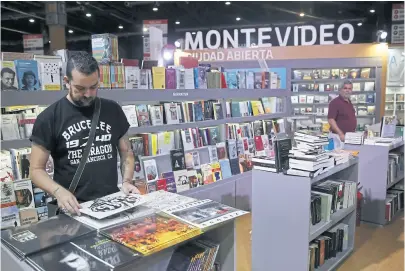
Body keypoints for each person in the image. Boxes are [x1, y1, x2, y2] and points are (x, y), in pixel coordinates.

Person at [29, 51, 139, 216]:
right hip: (75, 209)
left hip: (112, 203)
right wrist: (58, 191)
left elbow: (126, 153)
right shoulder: (49, 118)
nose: (88, 94)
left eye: (93, 87)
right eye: (80, 88)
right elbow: (36, 170)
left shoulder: (113, 110)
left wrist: (127, 181)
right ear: (67, 82)